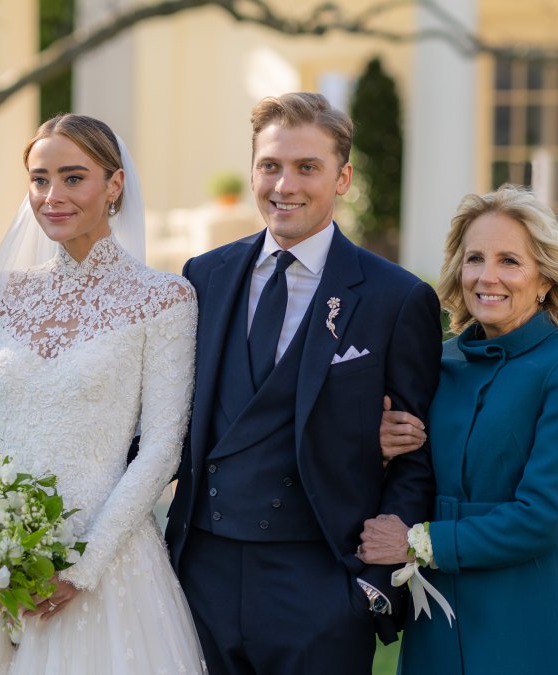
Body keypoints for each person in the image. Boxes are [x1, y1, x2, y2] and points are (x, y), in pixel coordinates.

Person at [0, 114, 206, 674]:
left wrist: (82, 566)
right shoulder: (1, 295)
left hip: (108, 565)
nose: (52, 196)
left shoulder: (165, 299)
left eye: (73, 178)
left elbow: (161, 450)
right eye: (39, 179)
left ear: (115, 185)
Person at [164, 91, 442, 675]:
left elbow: (416, 459)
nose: (284, 185)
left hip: (320, 584)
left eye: (306, 167)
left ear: (342, 178)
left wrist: (371, 586)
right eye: (270, 165)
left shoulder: (396, 298)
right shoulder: (203, 276)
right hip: (200, 577)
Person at [361, 184, 558, 674]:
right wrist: (383, 448)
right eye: (475, 258)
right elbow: (413, 474)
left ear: (544, 278)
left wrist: (418, 543)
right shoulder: (437, 362)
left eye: (509, 261)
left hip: (528, 608)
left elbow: (544, 516)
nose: (487, 276)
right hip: (438, 614)